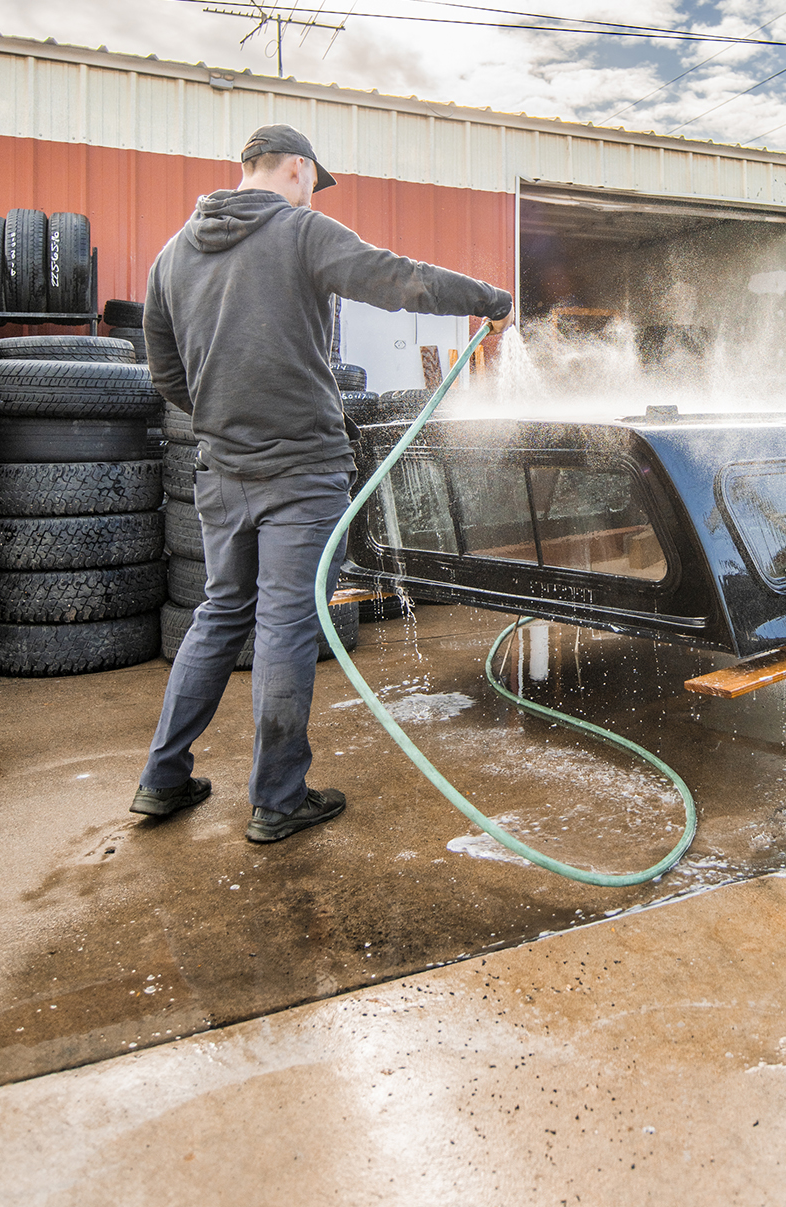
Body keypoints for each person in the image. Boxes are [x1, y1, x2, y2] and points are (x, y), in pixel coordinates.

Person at [129, 123, 512, 842]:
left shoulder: (170, 256)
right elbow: (401, 278)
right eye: (313, 180)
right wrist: (489, 298)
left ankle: (163, 779)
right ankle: (277, 798)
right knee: (285, 626)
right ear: (298, 170)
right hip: (301, 472)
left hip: (220, 471)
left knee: (218, 615)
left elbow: (165, 373)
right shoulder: (300, 231)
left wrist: (220, 418)